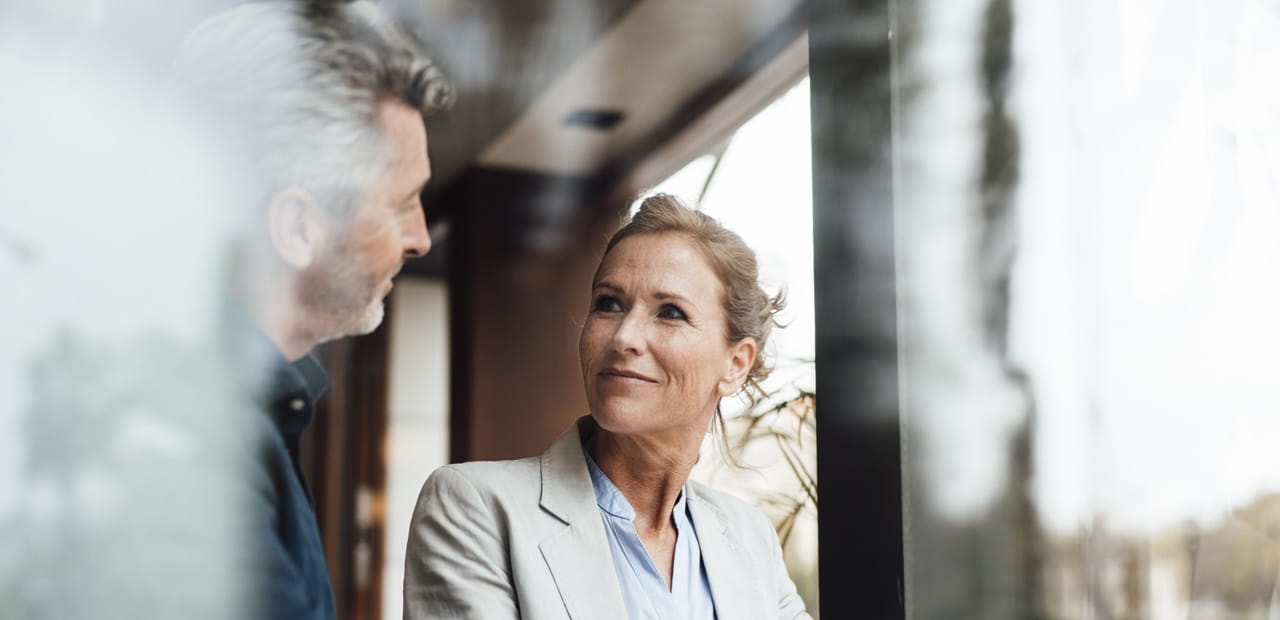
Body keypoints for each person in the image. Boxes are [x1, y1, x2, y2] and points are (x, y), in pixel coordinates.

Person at [170, 2, 453, 618]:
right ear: (298, 226)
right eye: (404, 201)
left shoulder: (235, 404)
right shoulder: (190, 445)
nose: (421, 237)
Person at [404, 194, 810, 619]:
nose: (624, 337)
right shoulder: (475, 507)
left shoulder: (750, 538)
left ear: (736, 364)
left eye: (670, 312)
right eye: (609, 303)